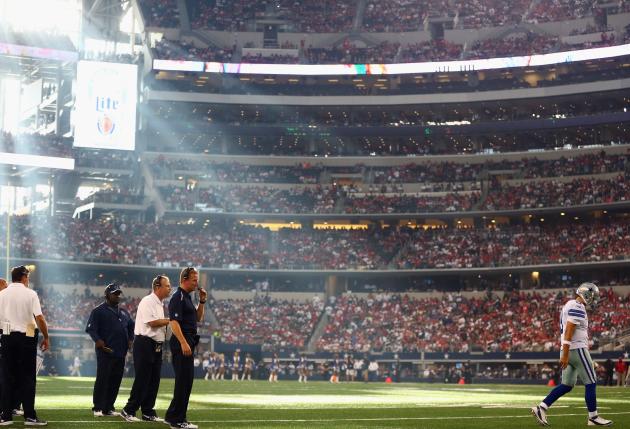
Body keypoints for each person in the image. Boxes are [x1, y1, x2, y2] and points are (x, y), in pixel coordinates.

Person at [531, 283, 612, 426]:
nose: (594, 300)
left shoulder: (570, 304)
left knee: (567, 385)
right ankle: (593, 417)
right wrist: (566, 354)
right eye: (593, 296)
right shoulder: (577, 306)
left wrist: (565, 352)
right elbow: (569, 330)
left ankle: (541, 408)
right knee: (591, 381)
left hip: (569, 349)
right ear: (586, 294)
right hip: (576, 349)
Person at [0, 265, 49, 426]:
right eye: (27, 276)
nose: (28, 279)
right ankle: (29, 416)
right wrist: (46, 337)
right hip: (26, 338)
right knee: (27, 378)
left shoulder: (2, 294)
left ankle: (6, 416)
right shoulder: (30, 293)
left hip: (6, 337)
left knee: (7, 377)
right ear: (23, 277)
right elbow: (39, 318)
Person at [120, 275, 171, 423]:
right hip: (145, 343)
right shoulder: (148, 301)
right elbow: (152, 322)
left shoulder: (160, 303)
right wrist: (171, 320)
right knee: (143, 378)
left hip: (156, 345)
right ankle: (128, 410)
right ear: (157, 287)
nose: (169, 288)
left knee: (154, 380)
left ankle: (148, 411)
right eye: (167, 285)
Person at [165, 267, 206, 429]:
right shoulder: (178, 296)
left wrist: (202, 301)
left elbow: (198, 318)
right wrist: (183, 342)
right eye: (194, 280)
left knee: (185, 381)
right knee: (184, 381)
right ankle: (178, 420)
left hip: (188, 340)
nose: (197, 283)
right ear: (184, 279)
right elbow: (173, 322)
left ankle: (171, 416)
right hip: (182, 340)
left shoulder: (187, 297)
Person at [85, 283, 134, 417]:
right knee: (103, 379)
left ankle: (108, 407)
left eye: (118, 294)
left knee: (115, 380)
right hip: (105, 352)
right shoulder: (98, 311)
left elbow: (131, 326)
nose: (117, 296)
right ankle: (97, 407)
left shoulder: (124, 312)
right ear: (107, 295)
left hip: (120, 352)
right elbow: (90, 328)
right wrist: (98, 340)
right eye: (114, 294)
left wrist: (131, 339)